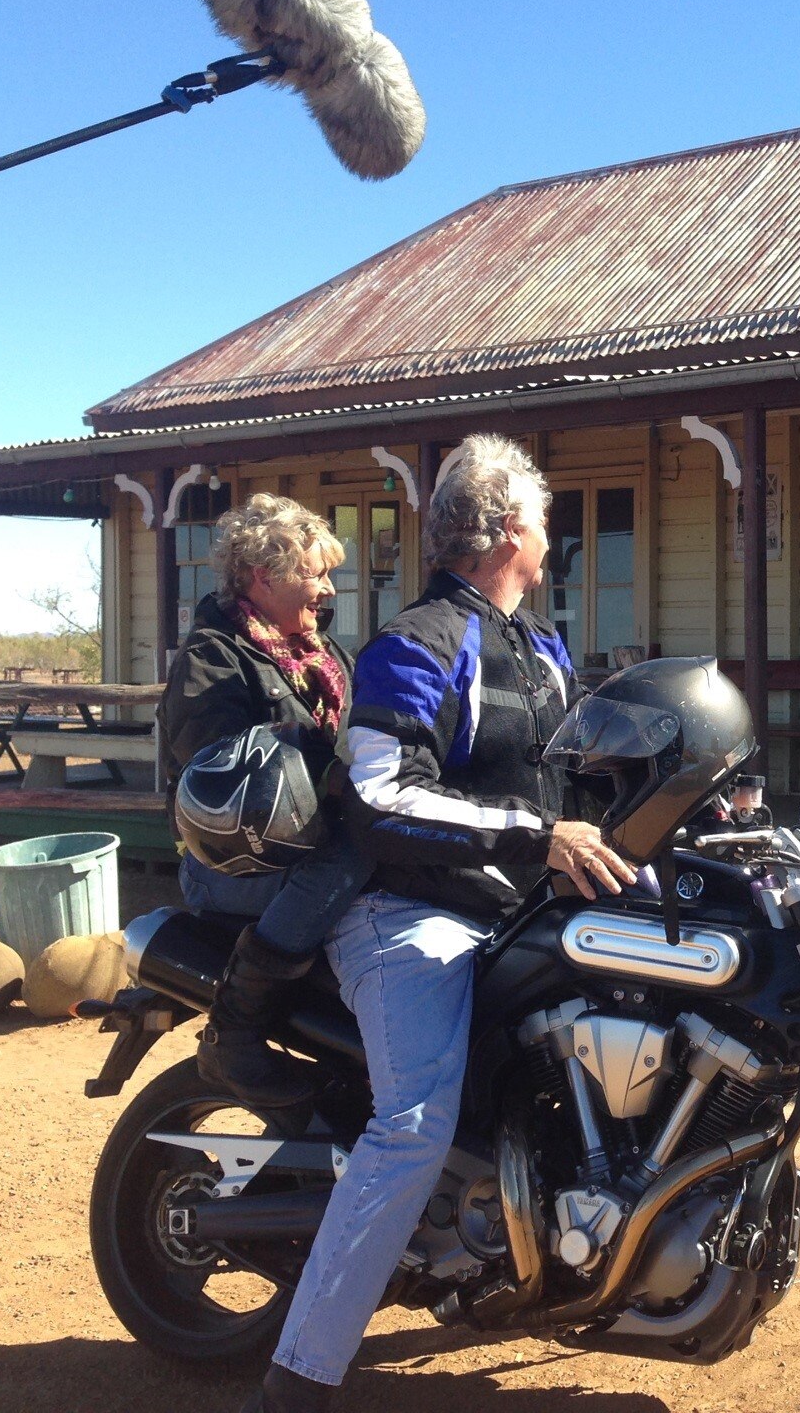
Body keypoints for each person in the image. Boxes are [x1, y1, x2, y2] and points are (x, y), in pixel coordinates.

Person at [243, 434, 635, 1413]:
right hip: (408, 918)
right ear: (506, 529)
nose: (552, 536)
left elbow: (586, 764)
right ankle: (294, 1385)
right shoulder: (415, 642)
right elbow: (380, 796)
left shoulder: (539, 648)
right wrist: (537, 834)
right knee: (411, 1125)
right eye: (542, 518)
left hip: (510, 916)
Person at [160, 494, 374, 1107]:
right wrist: (332, 776)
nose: (330, 590)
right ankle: (235, 1031)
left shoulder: (324, 657)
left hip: (306, 847)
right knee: (354, 861)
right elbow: (230, 787)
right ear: (263, 575)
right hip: (235, 865)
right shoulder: (214, 660)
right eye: (317, 574)